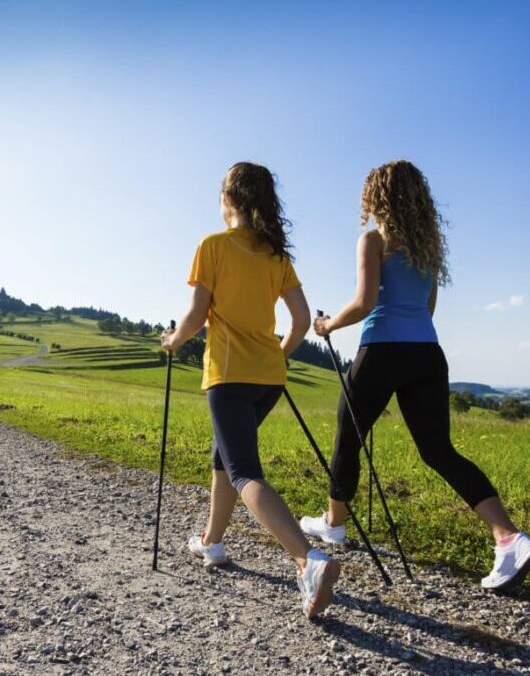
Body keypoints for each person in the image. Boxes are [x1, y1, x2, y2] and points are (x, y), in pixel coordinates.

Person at [300, 160, 530, 592]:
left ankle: (334, 524)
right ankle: (509, 538)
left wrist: (327, 327)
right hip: (427, 353)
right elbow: (427, 307)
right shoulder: (427, 247)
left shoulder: (373, 240)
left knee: (347, 435)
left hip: (381, 349)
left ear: (376, 197)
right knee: (439, 451)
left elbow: (363, 303)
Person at [161, 161, 340, 620]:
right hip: (269, 377)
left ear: (230, 199)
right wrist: (278, 354)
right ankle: (212, 542)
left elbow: (197, 315)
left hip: (228, 375)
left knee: (243, 472)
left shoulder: (212, 246)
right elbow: (300, 322)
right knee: (223, 456)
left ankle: (308, 561)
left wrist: (172, 340)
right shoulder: (278, 256)